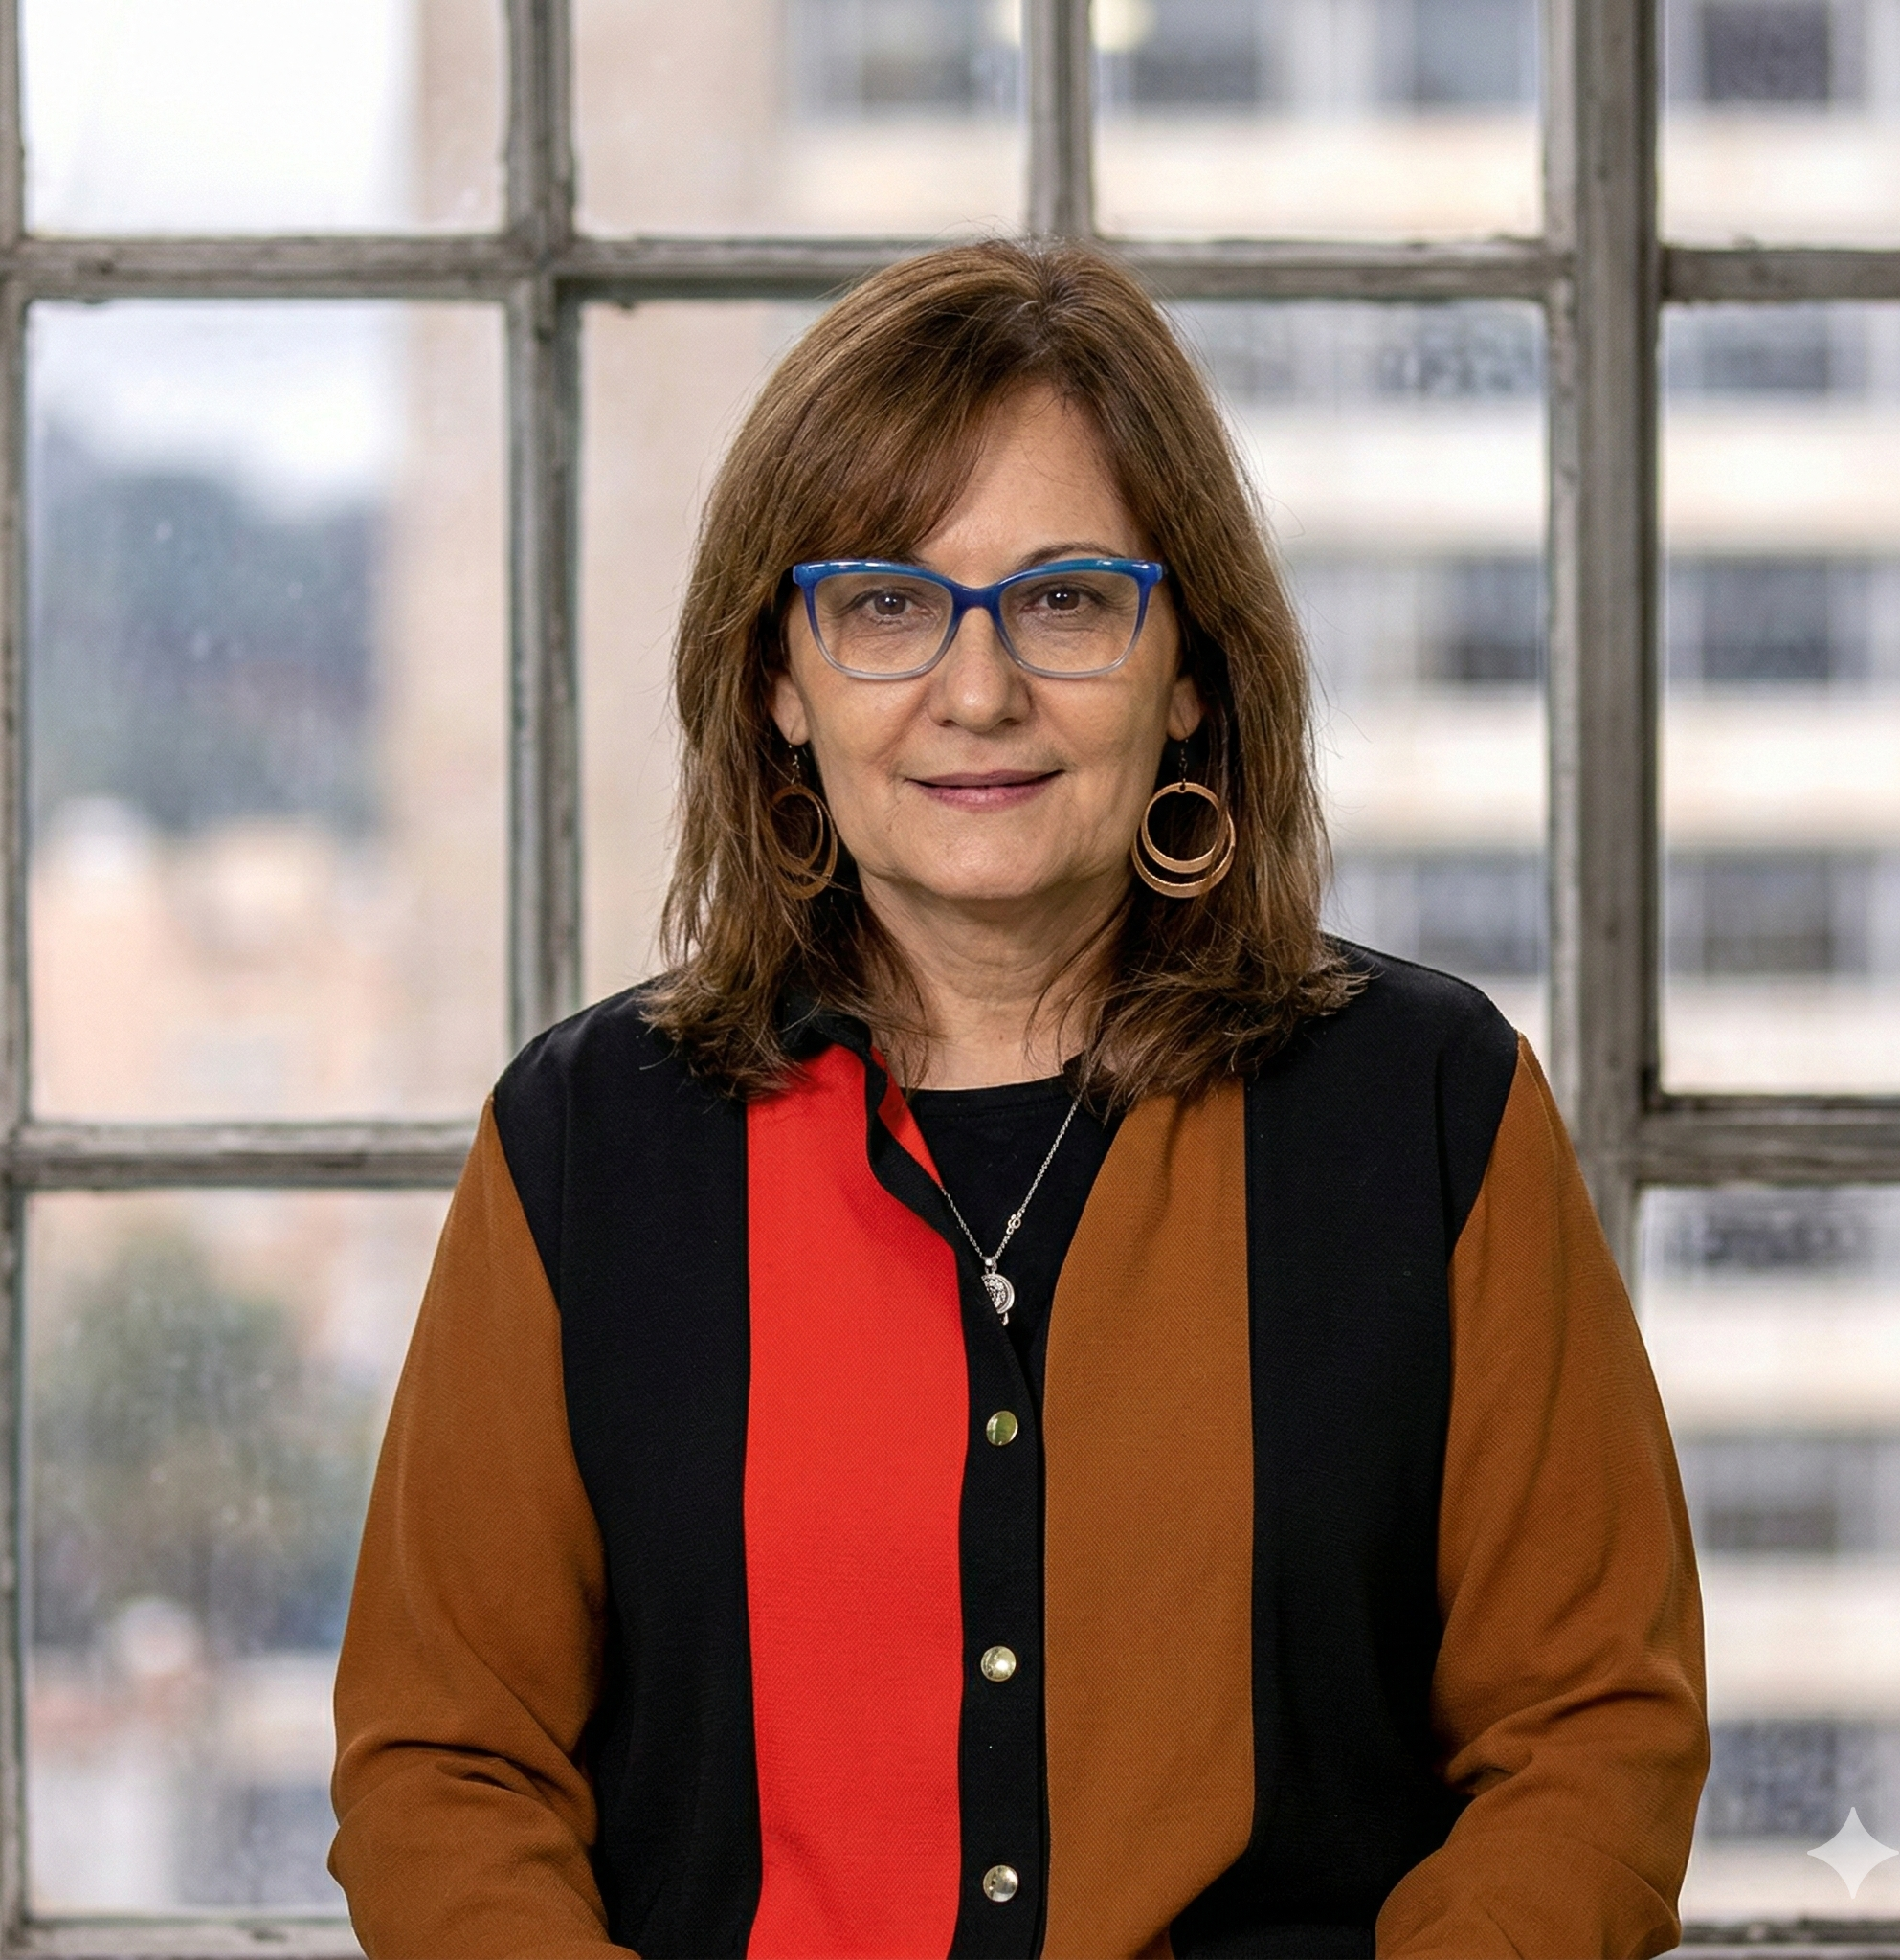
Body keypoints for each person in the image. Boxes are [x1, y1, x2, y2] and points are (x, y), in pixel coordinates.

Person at [329, 240, 1708, 1960]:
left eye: (1064, 601)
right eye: (885, 605)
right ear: (779, 682)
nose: (977, 693)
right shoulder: (584, 1147)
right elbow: (443, 1764)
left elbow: (1592, 1735)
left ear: (1189, 665)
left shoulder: (1431, 1110)